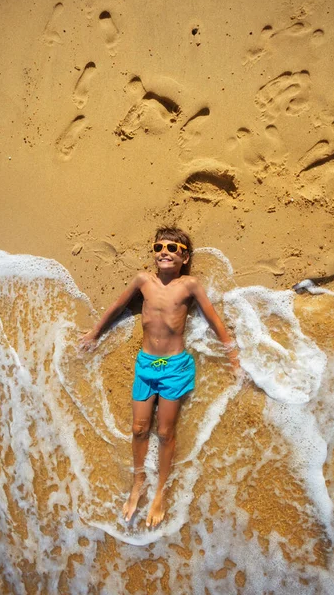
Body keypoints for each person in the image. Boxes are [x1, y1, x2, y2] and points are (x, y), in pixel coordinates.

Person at [79, 226, 239, 528]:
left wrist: (232, 354)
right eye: (158, 247)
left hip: (175, 366)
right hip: (146, 365)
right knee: (139, 429)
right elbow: (117, 306)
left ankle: (160, 493)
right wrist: (95, 333)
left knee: (165, 432)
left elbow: (214, 319)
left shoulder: (190, 285)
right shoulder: (143, 281)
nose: (164, 251)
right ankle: (138, 482)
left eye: (173, 248)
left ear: (185, 257)